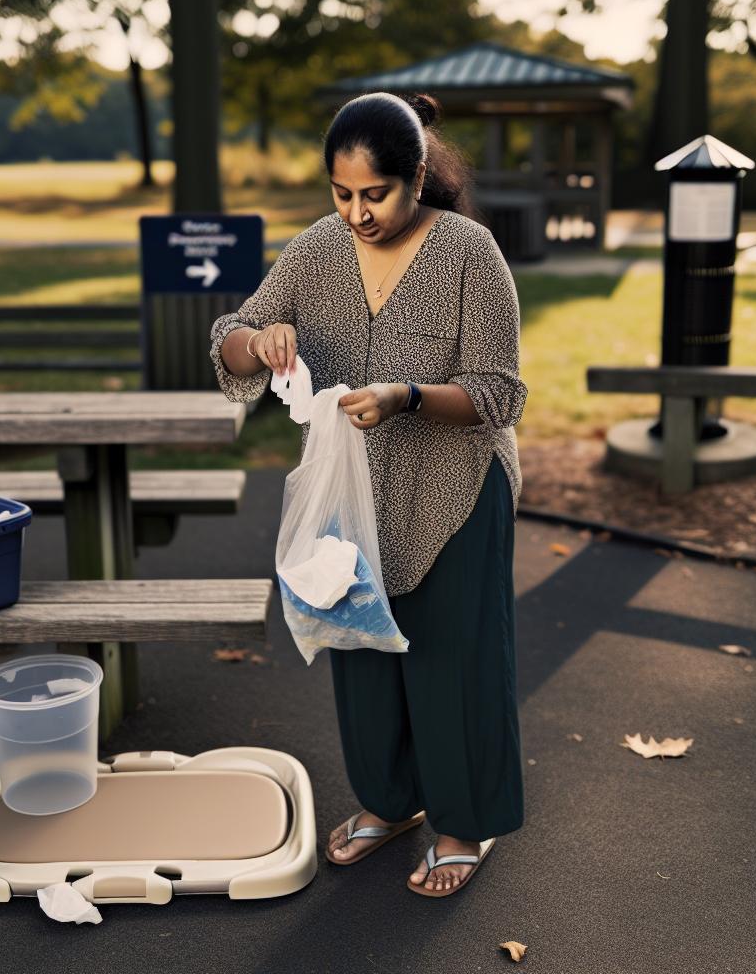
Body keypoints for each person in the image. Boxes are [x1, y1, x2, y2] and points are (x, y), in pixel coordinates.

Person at [208, 90, 526, 898]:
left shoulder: (468, 253)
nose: (357, 213)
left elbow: (497, 393)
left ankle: (463, 823)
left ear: (416, 177)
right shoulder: (318, 250)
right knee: (361, 653)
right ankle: (392, 805)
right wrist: (259, 340)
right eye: (341, 194)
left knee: (453, 660)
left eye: (374, 194)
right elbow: (229, 341)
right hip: (353, 497)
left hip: (455, 487)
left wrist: (406, 395)